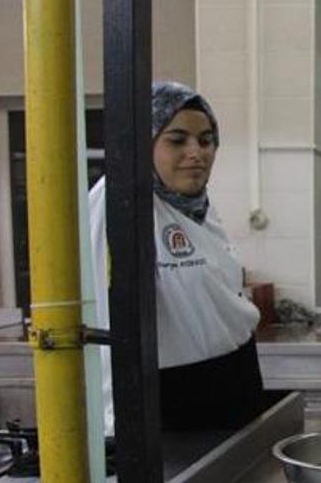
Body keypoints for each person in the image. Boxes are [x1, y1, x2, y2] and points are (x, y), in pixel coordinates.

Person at [91, 81, 264, 433]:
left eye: (206, 140)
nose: (196, 153)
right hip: (170, 399)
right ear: (144, 142)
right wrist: (115, 426)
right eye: (177, 139)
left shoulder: (195, 206)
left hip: (234, 379)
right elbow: (106, 320)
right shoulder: (119, 203)